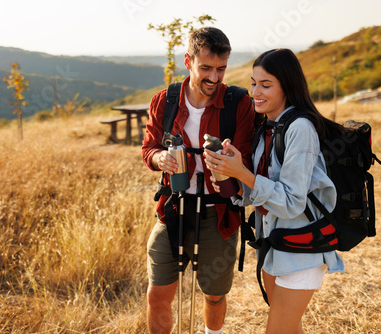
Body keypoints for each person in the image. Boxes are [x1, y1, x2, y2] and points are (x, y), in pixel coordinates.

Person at [204, 48, 345, 334]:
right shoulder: (268, 127)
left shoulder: (300, 128)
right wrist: (232, 178)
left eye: (266, 85)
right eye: (253, 83)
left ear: (288, 87)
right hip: (274, 245)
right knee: (290, 329)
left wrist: (242, 173)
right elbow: (258, 189)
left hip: (302, 250)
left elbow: (293, 202)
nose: (256, 91)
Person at [141, 27, 255, 334]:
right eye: (206, 68)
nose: (214, 78)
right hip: (173, 208)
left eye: (221, 69)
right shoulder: (165, 101)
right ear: (188, 61)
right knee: (157, 293)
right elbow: (148, 148)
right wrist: (159, 158)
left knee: (214, 295)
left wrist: (231, 162)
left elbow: (247, 157)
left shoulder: (238, 103)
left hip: (219, 213)